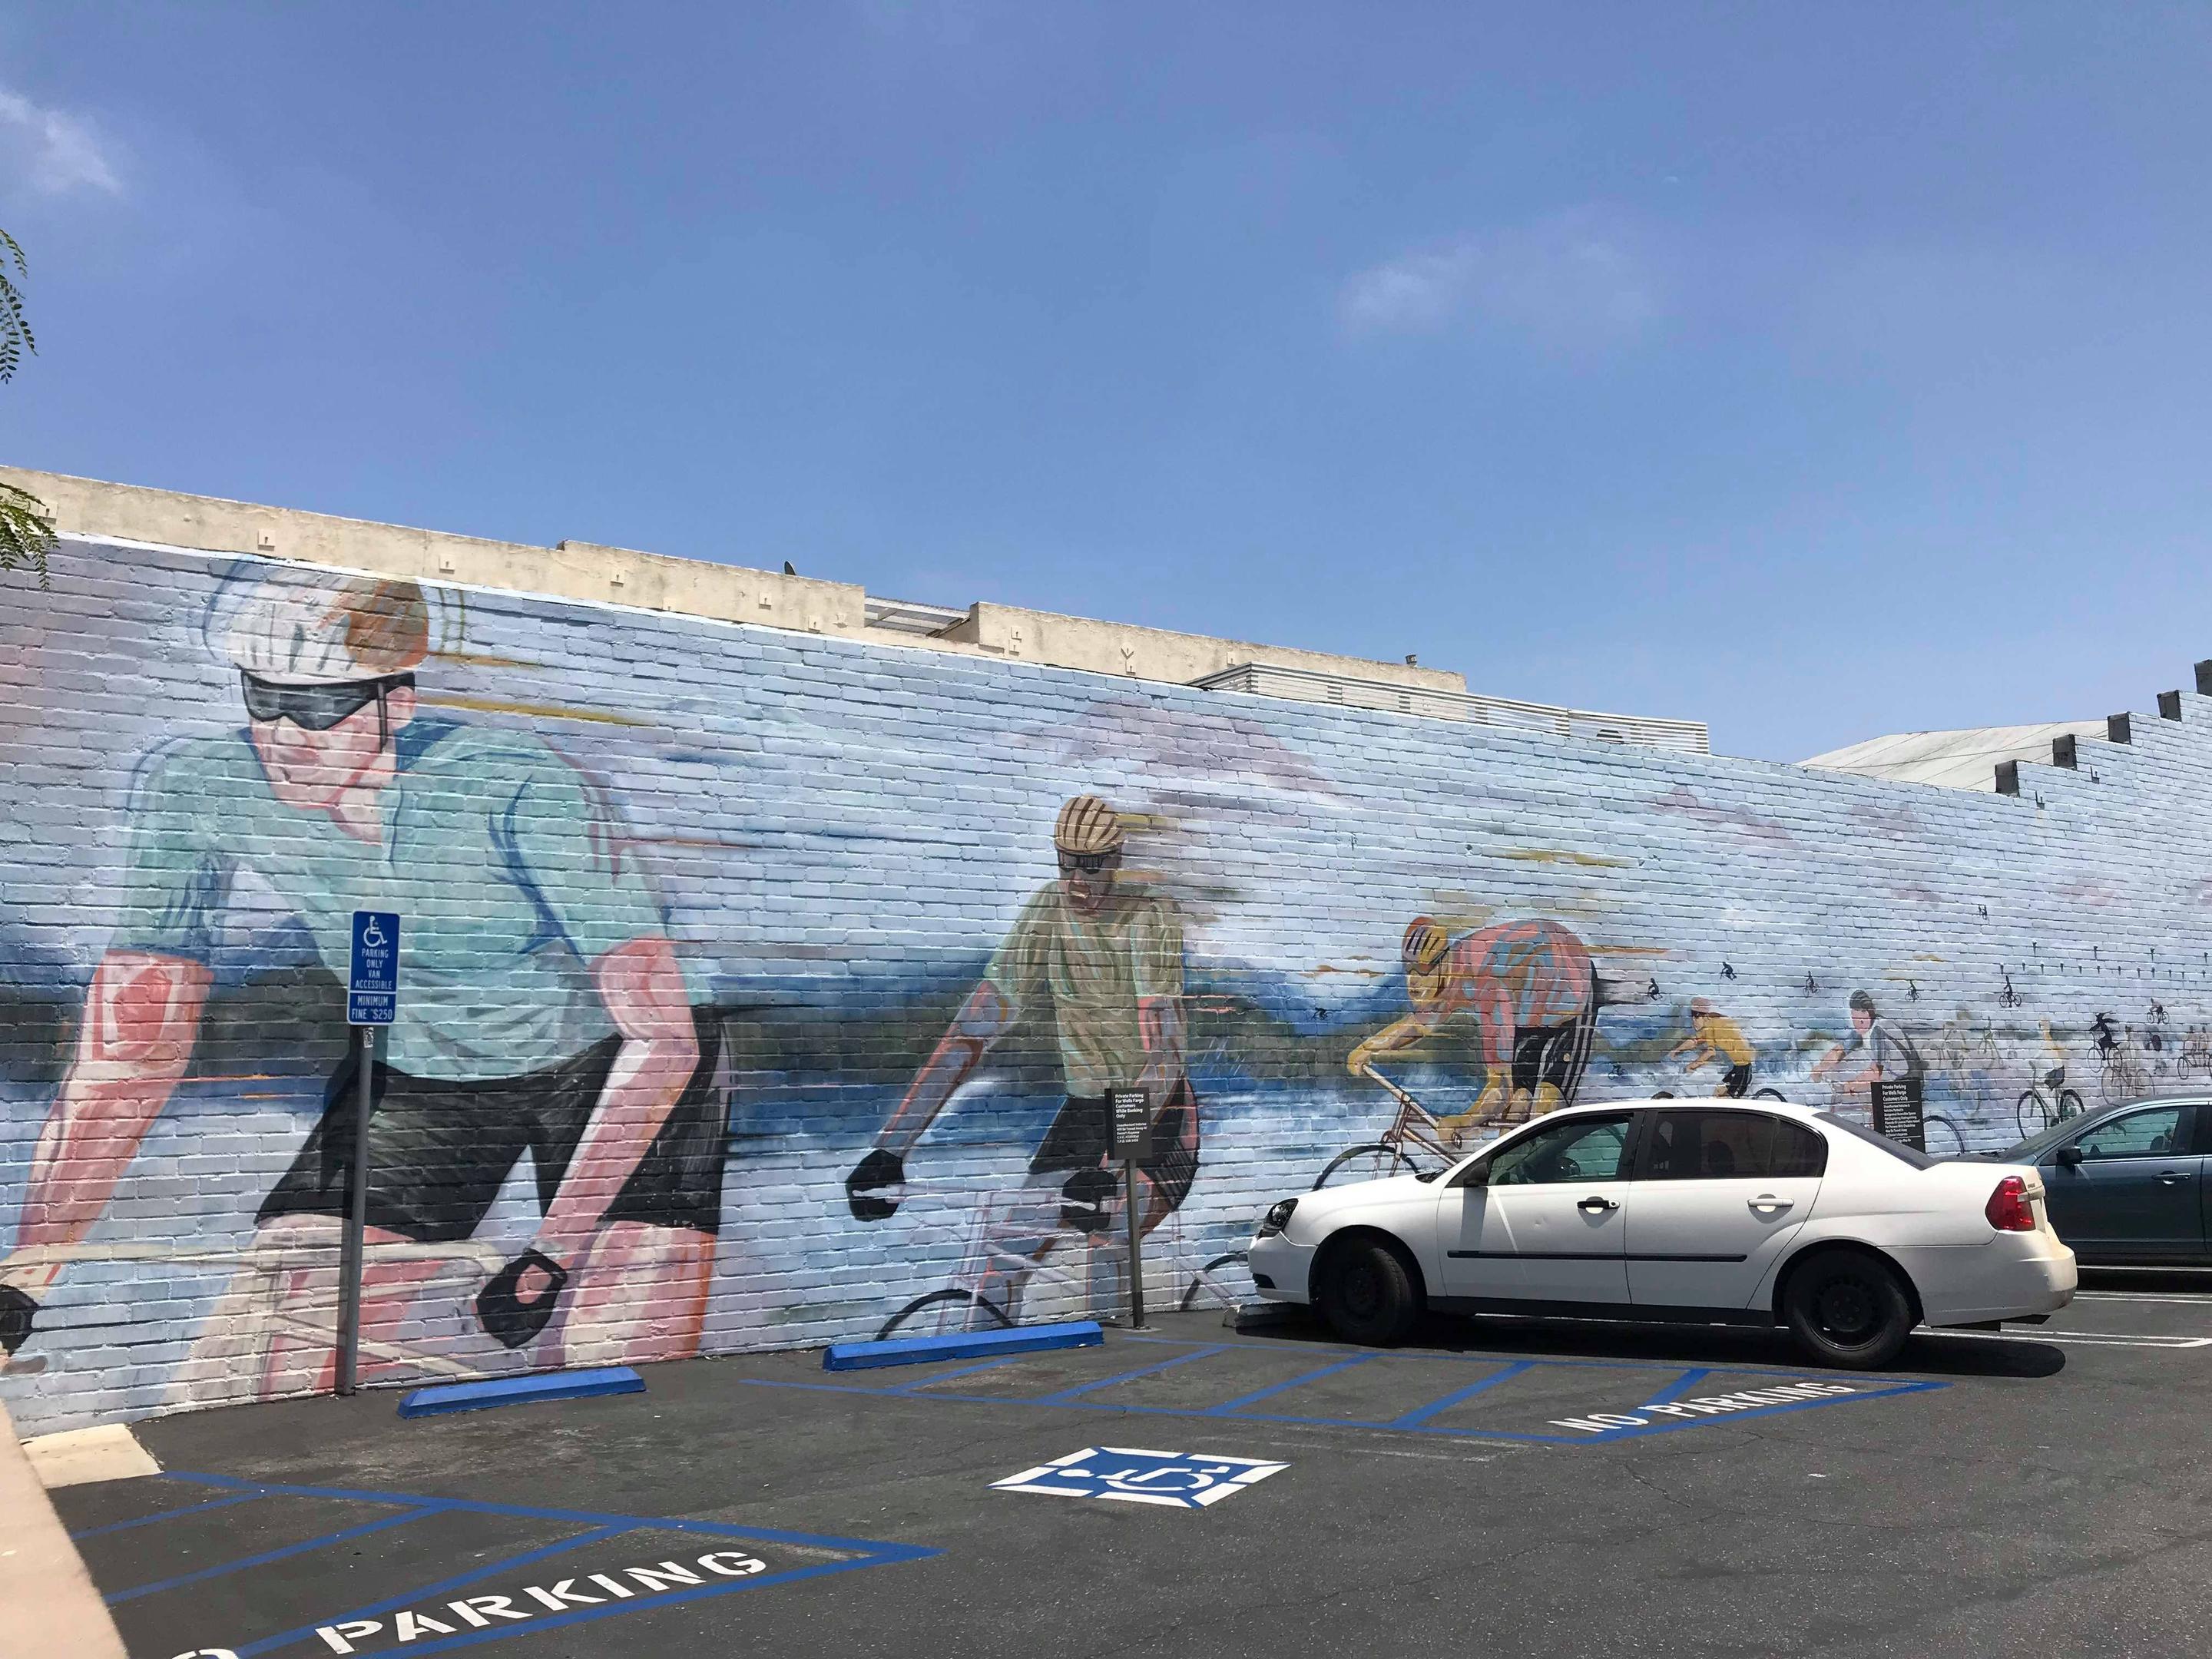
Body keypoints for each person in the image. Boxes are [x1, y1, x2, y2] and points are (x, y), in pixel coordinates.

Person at [0, 568, 724, 1394]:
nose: (285, 736)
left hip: (619, 1063)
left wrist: (550, 1253)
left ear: (396, 704)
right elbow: (131, 1048)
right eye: (265, 700)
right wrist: (26, 1276)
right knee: (258, 1366)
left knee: (608, 1361)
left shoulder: (518, 784)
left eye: (319, 709)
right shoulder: (198, 786)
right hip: (421, 1067)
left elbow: (663, 1037)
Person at [844, 795, 1196, 1323]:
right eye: (1066, 864)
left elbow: (1163, 1057)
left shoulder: (1149, 916)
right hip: (1085, 1110)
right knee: (1004, 1260)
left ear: (1116, 859)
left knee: (1108, 1233)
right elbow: (972, 1030)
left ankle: (1122, 1358)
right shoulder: (1048, 911)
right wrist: (891, 1148)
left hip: (1151, 1108)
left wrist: (1111, 1167)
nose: (1077, 881)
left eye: (1092, 866)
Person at [1346, 916, 1598, 1141]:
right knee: (1517, 1107)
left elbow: (1500, 1087)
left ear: (1443, 965)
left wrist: (1463, 1122)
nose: (1413, 982)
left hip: (1569, 988)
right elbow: (1418, 1024)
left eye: (1422, 971)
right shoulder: (1449, 978)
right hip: (1529, 999)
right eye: (1409, 971)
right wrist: (1367, 1048)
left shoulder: (1485, 985)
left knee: (1545, 1104)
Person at [1810, 990, 1925, 1094]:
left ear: (1870, 1014)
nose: (1858, 1024)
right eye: (1854, 1019)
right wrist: (1820, 1067)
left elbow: (1876, 1072)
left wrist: (1852, 1085)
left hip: (1909, 1084)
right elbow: (1839, 1051)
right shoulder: (1863, 1029)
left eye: (1861, 1020)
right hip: (1893, 1081)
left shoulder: (1878, 1031)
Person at [1665, 998, 1758, 1097]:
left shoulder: (1711, 1025)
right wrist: (1677, 1050)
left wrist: (1692, 1065)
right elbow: (1695, 1041)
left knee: (1727, 1098)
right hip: (1737, 1066)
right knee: (1717, 1093)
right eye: (1692, 1017)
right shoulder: (1712, 1022)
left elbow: (1711, 1052)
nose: (1694, 1022)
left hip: (1743, 1068)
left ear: (1705, 1017)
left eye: (1696, 1018)